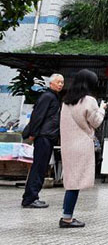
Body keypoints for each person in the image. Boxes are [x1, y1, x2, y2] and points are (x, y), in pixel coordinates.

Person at [58, 69, 107, 228]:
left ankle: (67, 215)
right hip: (81, 146)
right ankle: (66, 219)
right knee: (75, 184)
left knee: (72, 181)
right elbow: (96, 121)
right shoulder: (89, 100)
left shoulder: (66, 101)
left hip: (68, 145)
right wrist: (102, 109)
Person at [21, 73, 64, 209]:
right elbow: (37, 116)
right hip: (43, 136)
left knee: (41, 167)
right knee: (38, 167)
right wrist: (33, 134)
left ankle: (32, 196)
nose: (61, 84)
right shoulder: (47, 97)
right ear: (51, 83)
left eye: (62, 82)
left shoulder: (54, 97)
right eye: (58, 82)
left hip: (48, 135)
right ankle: (30, 198)